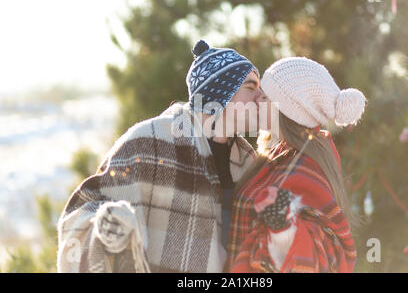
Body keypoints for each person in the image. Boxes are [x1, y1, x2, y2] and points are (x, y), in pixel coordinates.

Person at [57, 39, 267, 273]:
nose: (262, 96)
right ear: (220, 94)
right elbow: (82, 213)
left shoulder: (247, 161)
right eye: (251, 87)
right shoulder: (150, 142)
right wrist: (108, 229)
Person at [226, 57, 367, 273]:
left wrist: (282, 229)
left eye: (266, 96)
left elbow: (308, 252)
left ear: (289, 111)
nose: (258, 99)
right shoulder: (277, 155)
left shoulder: (303, 167)